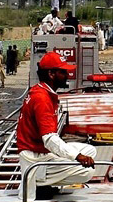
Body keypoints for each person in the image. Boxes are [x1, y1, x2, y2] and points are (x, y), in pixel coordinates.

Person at [16, 52, 95, 191]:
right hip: (35, 157)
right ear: (51, 74)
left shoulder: (40, 91)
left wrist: (75, 156)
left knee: (90, 150)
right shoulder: (42, 98)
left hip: (39, 151)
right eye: (63, 72)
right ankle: (39, 180)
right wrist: (77, 156)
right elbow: (49, 139)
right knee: (86, 172)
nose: (67, 75)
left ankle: (47, 178)